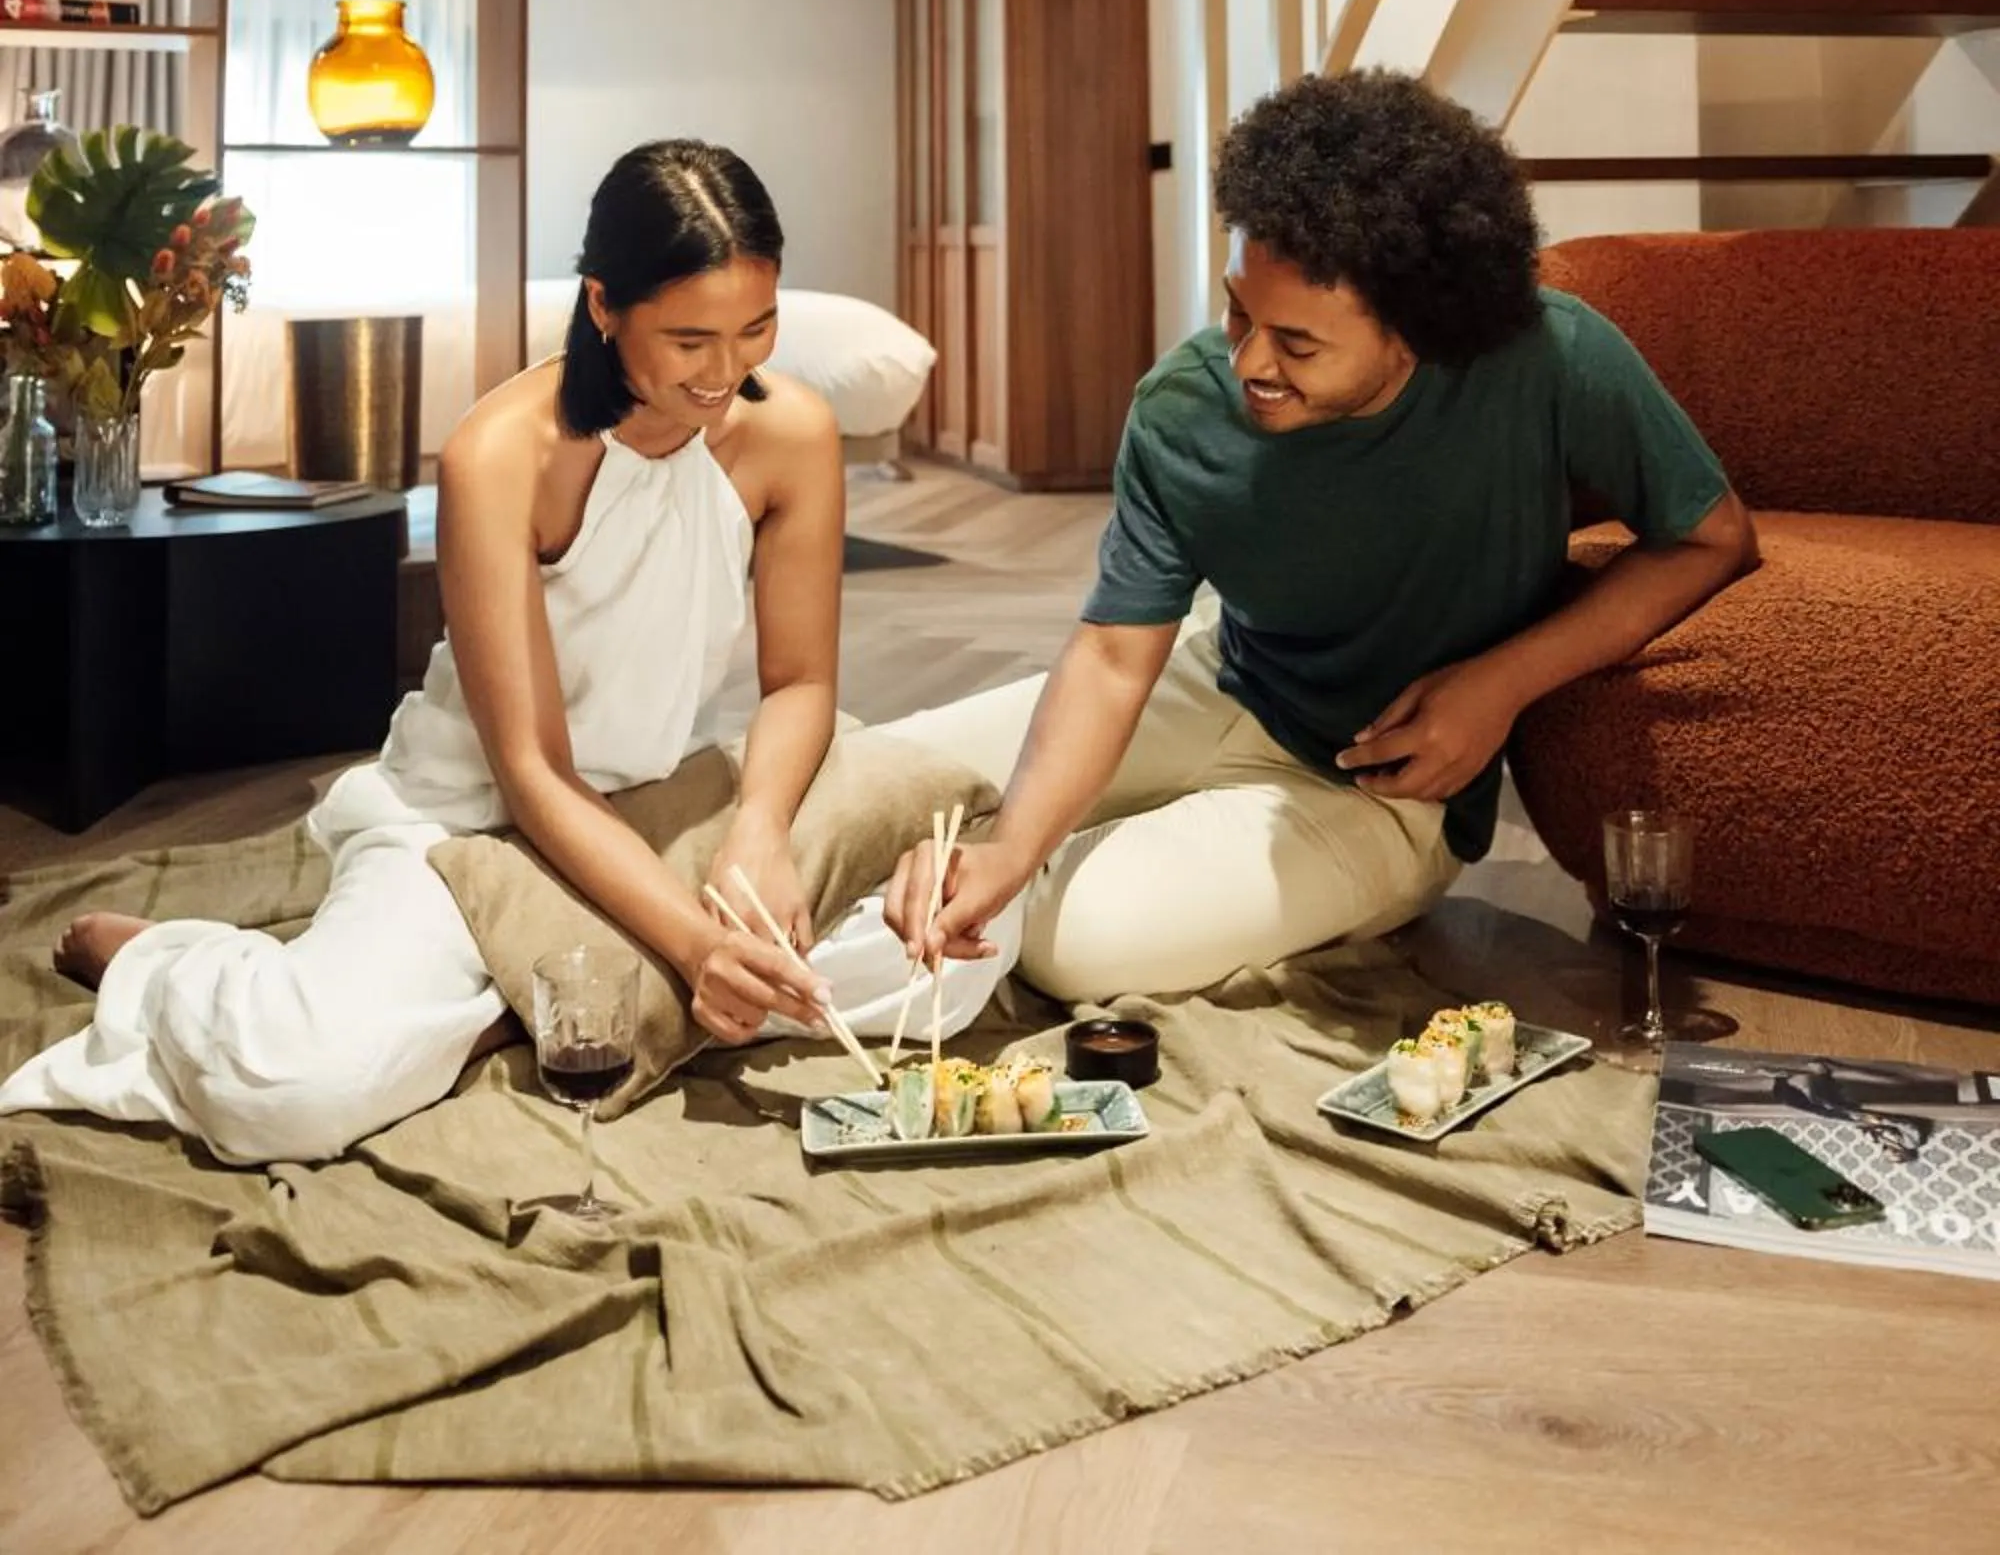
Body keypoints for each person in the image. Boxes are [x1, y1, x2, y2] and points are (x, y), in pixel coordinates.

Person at [0, 139, 1004, 1166]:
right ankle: (175, 965)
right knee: (291, 1092)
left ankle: (510, 1004)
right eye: (690, 340)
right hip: (475, 822)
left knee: (953, 960)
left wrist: (759, 831)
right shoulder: (501, 454)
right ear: (604, 305)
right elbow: (531, 774)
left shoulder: (791, 433)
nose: (728, 371)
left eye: (757, 328)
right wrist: (700, 947)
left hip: (672, 803)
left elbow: (799, 684)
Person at [885, 69, 1754, 1004]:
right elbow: (1109, 656)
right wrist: (1015, 841)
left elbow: (1711, 536)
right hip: (1221, 675)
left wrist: (1501, 684)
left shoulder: (1552, 358)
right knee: (885, 783)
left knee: (1072, 945)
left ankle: (1001, 890)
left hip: (1383, 795)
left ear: (1414, 332)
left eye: (1296, 344)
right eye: (1237, 311)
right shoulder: (1182, 408)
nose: (1248, 361)